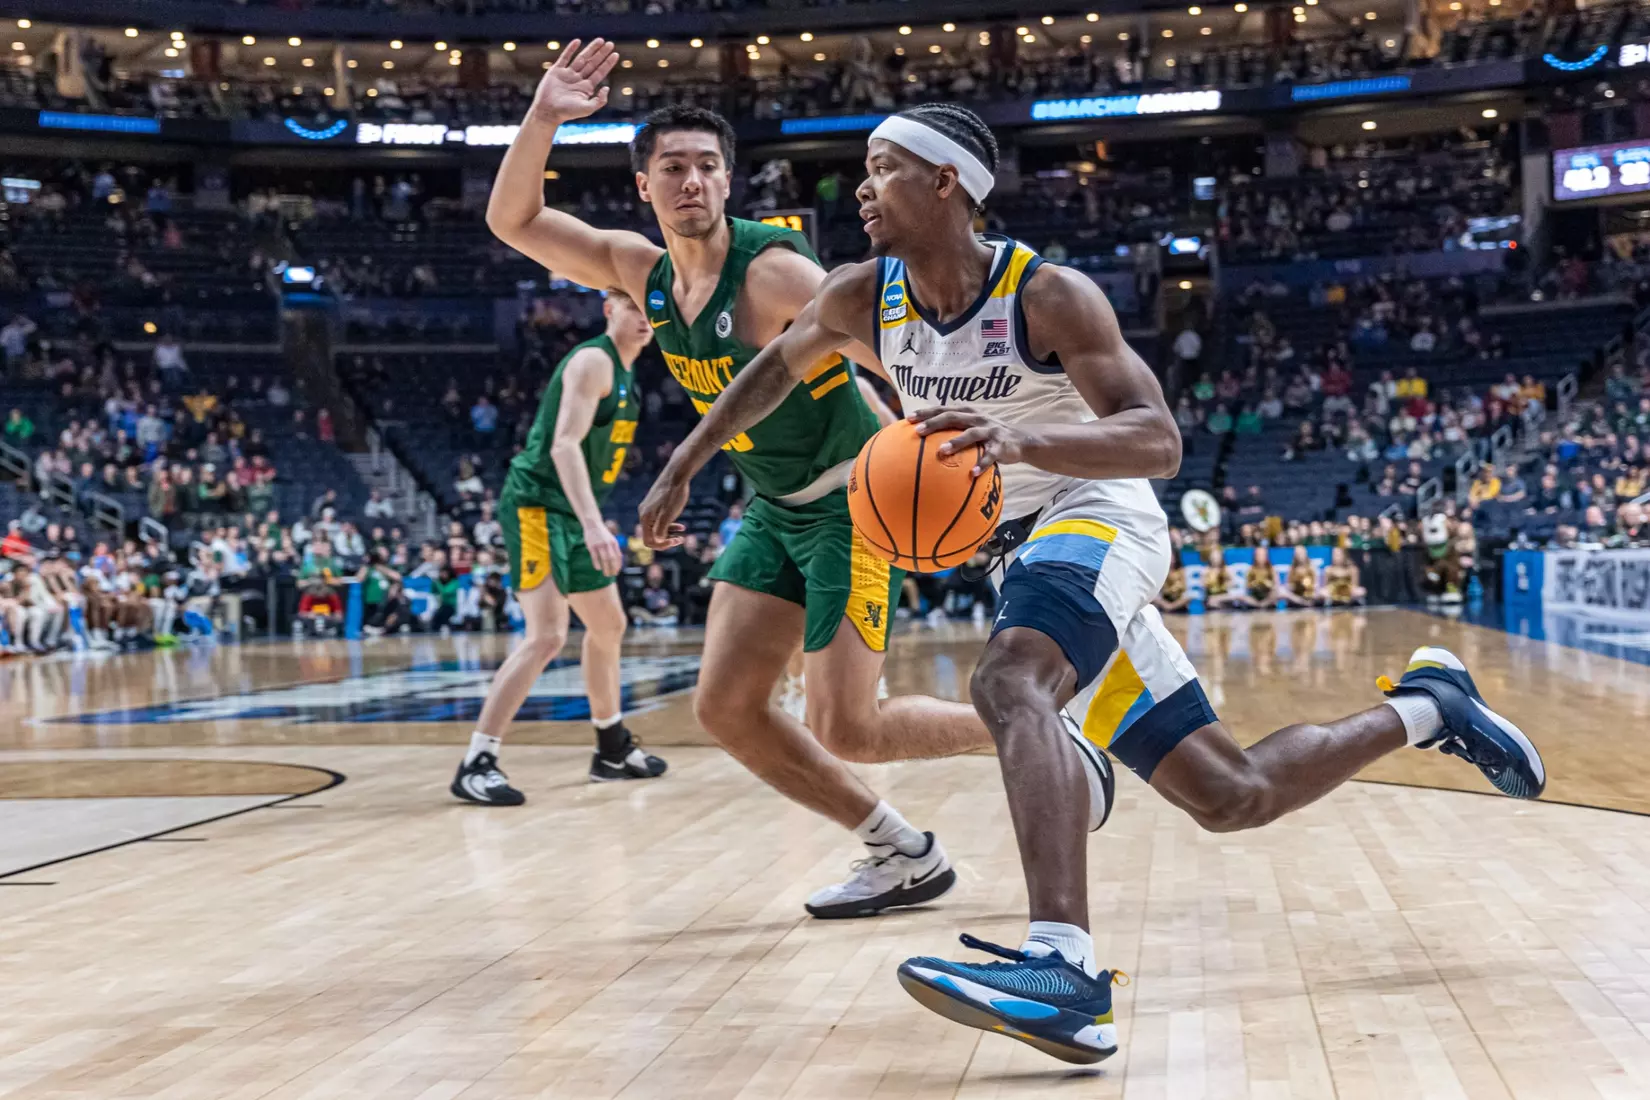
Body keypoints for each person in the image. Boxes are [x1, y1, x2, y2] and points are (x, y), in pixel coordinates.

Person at [645, 101, 1549, 1063]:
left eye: (884, 168)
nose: (860, 188)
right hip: (1016, 549)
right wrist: (687, 460)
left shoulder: (1048, 295)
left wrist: (1026, 436)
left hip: (1098, 514)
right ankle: (1429, 708)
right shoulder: (863, 296)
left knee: (1007, 683)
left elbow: (1158, 441)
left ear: (947, 182)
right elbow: (773, 370)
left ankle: (1062, 970)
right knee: (1230, 793)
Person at [498, 41, 1036, 917]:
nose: (691, 182)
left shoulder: (778, 271)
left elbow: (893, 356)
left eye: (708, 166)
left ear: (727, 182)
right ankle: (898, 851)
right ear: (645, 187)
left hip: (855, 504)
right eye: (672, 167)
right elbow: (516, 222)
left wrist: (941, 453)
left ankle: (1042, 731)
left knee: (848, 727)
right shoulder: (644, 272)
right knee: (727, 707)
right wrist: (546, 116)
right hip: (775, 507)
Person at [451, 288, 665, 800]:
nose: (644, 319)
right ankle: (477, 761)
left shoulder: (629, 375)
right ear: (610, 309)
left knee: (609, 625)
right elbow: (563, 444)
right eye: (633, 306)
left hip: (571, 510)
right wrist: (595, 525)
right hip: (538, 506)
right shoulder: (594, 360)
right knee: (547, 635)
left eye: (651, 309)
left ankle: (610, 746)